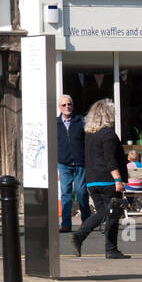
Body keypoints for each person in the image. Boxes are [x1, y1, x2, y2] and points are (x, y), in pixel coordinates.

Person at [71, 98, 129, 259]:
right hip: (107, 179)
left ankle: (111, 249)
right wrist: (118, 180)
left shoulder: (90, 134)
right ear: (108, 114)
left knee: (110, 214)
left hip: (92, 179)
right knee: (108, 213)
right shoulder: (108, 134)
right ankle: (80, 235)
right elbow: (110, 160)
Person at [57, 95, 90, 234]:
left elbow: (87, 141)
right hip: (64, 163)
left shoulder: (81, 121)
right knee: (66, 194)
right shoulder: (55, 123)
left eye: (69, 104)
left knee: (82, 192)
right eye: (64, 105)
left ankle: (87, 221)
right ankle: (66, 223)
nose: (67, 107)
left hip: (80, 163)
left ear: (73, 105)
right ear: (60, 107)